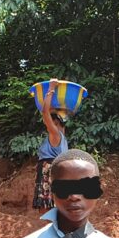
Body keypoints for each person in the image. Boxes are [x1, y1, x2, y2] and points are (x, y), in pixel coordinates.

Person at [32, 79, 69, 212]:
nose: (45, 123)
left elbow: (45, 112)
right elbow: (50, 113)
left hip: (49, 171)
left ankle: (52, 231)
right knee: (55, 208)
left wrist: (51, 89)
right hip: (59, 172)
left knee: (46, 209)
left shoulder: (55, 134)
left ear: (55, 122)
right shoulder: (62, 136)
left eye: (49, 121)